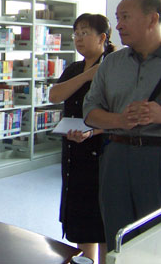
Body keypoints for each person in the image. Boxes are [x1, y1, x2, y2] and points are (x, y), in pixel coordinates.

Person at [83, 0, 161, 252]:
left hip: (156, 155)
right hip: (115, 154)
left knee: (155, 238)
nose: (118, 25)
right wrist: (120, 120)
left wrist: (158, 115)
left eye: (125, 17)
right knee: (117, 235)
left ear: (152, 19)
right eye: (117, 18)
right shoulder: (111, 64)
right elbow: (90, 110)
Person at [49, 14, 115, 263]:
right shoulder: (76, 68)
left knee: (103, 218)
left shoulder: (113, 67)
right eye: (75, 33)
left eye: (84, 33)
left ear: (102, 37)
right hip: (74, 150)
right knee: (80, 216)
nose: (78, 38)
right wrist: (87, 75)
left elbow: (118, 113)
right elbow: (55, 95)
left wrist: (93, 131)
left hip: (103, 149)